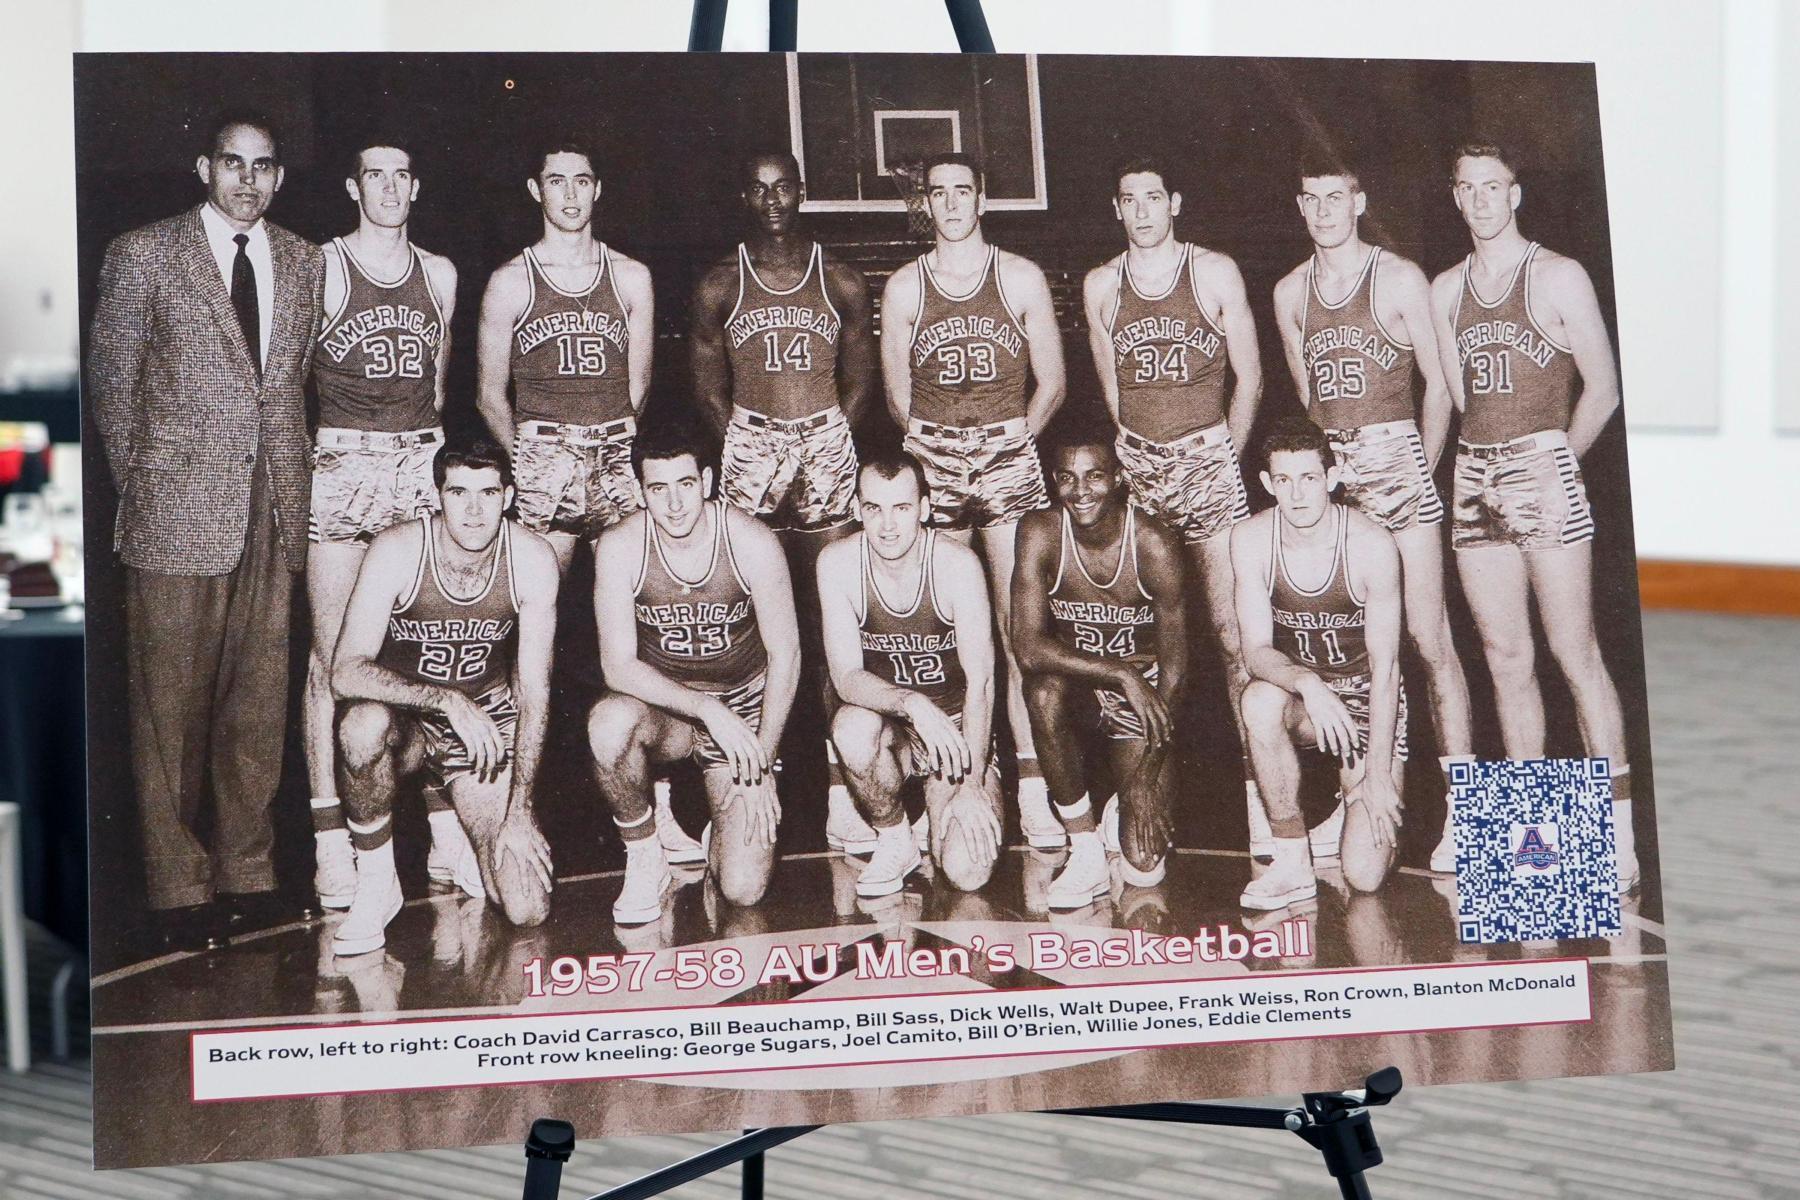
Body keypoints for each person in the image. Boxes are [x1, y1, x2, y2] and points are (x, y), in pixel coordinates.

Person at [86, 112, 324, 952]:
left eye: (263, 168)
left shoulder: (301, 259)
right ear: (203, 167)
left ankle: (247, 876)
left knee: (256, 711)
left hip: (275, 507)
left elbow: (291, 393)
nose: (247, 181)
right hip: (176, 511)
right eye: (232, 163)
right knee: (169, 714)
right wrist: (153, 489)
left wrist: (289, 502)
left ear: (280, 178)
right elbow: (112, 397)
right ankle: (177, 888)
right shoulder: (143, 253)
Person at [1428, 139, 1636, 888]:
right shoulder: (1444, 289)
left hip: (1543, 463)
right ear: (1455, 197)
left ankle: (1615, 833)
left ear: (1516, 193)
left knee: (1573, 652)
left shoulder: (1557, 275)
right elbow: (1456, 401)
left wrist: (1557, 464)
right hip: (1476, 473)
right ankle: (1534, 840)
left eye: (1494, 185)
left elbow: (1604, 389)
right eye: (1468, 187)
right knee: (1505, 658)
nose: (1481, 199)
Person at [1271, 156, 1473, 869]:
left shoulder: (1399, 277)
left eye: (1336, 197)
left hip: (1396, 462)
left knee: (1428, 640)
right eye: (1311, 198)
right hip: (1333, 476)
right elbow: (1307, 401)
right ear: (1300, 208)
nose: (1324, 210)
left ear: (1358, 202)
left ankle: (1464, 812)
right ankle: (1360, 794)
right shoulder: (1290, 292)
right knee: (1355, 648)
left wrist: (1420, 462)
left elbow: (1443, 385)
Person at [688, 149, 880, 858]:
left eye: (784, 187)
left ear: (803, 191)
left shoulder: (841, 278)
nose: (773, 199)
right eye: (759, 187)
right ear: (746, 195)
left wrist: (826, 440)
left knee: (834, 626)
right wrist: (745, 445)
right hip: (751, 450)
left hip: (825, 444)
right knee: (738, 623)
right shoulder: (718, 283)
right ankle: (736, 777)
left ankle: (844, 791)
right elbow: (707, 383)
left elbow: (861, 379)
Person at [880, 152, 1067, 850]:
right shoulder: (904, 287)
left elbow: (1052, 381)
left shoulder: (1019, 276)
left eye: (963, 191)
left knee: (1020, 630)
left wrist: (1018, 440)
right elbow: (898, 395)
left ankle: (1035, 783)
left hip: (1009, 458)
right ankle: (964, 774)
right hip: (938, 460)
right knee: (950, 633)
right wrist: (934, 449)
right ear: (924, 204)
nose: (952, 204)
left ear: (982, 198)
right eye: (939, 194)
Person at [1080, 157, 1262, 855]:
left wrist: (1224, 454)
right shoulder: (1102, 285)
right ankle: (1141, 797)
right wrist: (1137, 461)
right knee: (1137, 641)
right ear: (1117, 209)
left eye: (1154, 197)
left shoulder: (1213, 271)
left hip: (1209, 458)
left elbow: (1249, 377)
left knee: (1234, 635)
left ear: (1175, 202)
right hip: (1142, 467)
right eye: (1130, 200)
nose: (1144, 210)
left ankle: (1263, 804)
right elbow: (1113, 395)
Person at [304, 138, 461, 913]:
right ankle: (331, 836)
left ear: (417, 185)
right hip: (342, 459)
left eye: (403, 174)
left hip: (417, 460)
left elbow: (435, 382)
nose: (390, 187)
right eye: (375, 174)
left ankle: (442, 826)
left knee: (428, 648)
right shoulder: (325, 266)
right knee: (333, 659)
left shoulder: (441, 274)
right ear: (352, 184)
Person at [329, 439, 559, 955]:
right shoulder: (398, 549)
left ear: (509, 496)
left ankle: (458, 819)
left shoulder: (532, 558)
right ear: (439, 496)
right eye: (459, 492)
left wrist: (520, 810)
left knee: (526, 908)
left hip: (484, 732)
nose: (474, 509)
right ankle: (376, 879)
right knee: (360, 726)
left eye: (487, 492)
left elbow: (536, 692)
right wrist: (446, 701)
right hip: (407, 721)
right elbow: (344, 672)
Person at [586, 427, 801, 924]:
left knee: (743, 889)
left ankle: (720, 830)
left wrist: (760, 763)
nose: (674, 504)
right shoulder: (620, 547)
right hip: (672, 709)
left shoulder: (751, 540)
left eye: (685, 484)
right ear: (641, 492)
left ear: (707, 480)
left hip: (744, 709)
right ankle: (644, 854)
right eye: (657, 489)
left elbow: (786, 656)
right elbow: (616, 665)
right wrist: (705, 707)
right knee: (608, 724)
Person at [1231, 420, 1406, 909]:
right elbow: (1256, 652)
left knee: (1364, 875)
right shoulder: (1249, 539)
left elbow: (1387, 669)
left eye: (1309, 478)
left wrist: (1375, 776)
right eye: (1283, 481)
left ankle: (1356, 803)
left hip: (1368, 702)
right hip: (1307, 699)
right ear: (1267, 484)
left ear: (1332, 477)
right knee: (1259, 699)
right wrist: (1308, 682)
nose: (1297, 494)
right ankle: (1291, 859)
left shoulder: (1371, 544)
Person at [1011, 429, 1188, 911]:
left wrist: (1146, 778)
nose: (1081, 490)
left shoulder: (1154, 544)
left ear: (1119, 479)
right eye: (1067, 478)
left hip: (1146, 701)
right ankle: (1084, 844)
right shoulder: (1040, 532)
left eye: (1094, 476)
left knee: (1143, 866)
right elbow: (1026, 647)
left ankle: (1122, 802)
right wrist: (1119, 672)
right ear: (1054, 482)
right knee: (1042, 692)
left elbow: (1175, 673)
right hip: (1085, 689)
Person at [816, 451, 1001, 897]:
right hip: (895, 728)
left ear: (925, 508)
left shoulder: (957, 565)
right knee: (851, 726)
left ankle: (940, 811)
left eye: (901, 508)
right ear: (858, 510)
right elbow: (845, 677)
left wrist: (972, 782)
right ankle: (895, 835)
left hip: (955, 736)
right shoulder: (837, 563)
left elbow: (983, 683)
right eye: (873, 509)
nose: (887, 525)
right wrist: (912, 704)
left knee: (967, 872)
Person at [476, 136, 654, 571]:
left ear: (598, 188)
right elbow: (488, 395)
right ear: (536, 190)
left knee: (632, 593)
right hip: (544, 456)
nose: (571, 195)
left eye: (581, 181)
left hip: (613, 453)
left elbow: (640, 385)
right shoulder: (510, 280)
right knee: (540, 596)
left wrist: (611, 442)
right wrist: (528, 462)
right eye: (557, 181)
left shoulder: (632, 276)